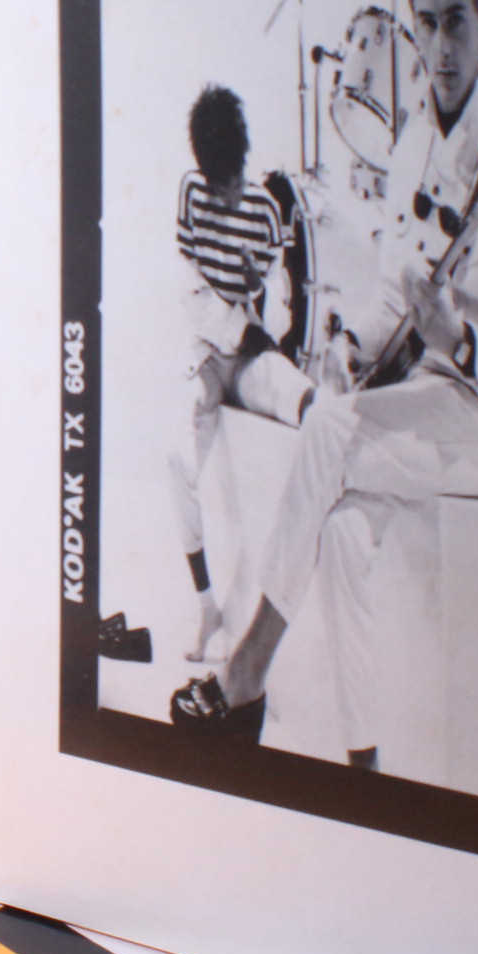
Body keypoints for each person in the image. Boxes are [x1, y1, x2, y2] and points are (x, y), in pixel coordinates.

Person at [170, 0, 478, 765]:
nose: (441, 45)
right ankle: (366, 769)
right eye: (425, 23)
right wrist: (352, 343)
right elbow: (395, 292)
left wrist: (461, 341)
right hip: (420, 406)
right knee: (345, 534)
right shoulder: (414, 144)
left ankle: (247, 673)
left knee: (326, 428)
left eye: (456, 21)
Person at [164, 84, 314, 665]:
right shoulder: (191, 193)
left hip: (250, 354)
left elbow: (278, 315)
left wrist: (257, 290)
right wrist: (236, 328)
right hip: (207, 354)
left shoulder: (264, 210)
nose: (225, 198)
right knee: (175, 457)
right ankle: (206, 605)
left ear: (243, 164)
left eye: (231, 185)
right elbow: (187, 288)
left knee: (294, 392)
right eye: (216, 186)